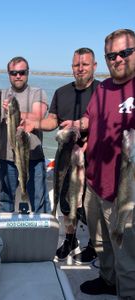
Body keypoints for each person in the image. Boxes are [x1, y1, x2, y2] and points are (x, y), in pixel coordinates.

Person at [61, 29, 135, 298]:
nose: (117, 59)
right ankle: (107, 280)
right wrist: (77, 124)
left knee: (127, 258)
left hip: (126, 194)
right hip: (94, 184)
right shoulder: (103, 88)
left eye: (125, 52)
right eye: (111, 55)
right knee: (101, 243)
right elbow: (91, 119)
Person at [24, 48, 98, 264]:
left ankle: (94, 244)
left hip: (94, 157)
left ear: (94, 66)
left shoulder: (102, 91)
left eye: (85, 64)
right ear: (72, 67)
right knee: (66, 203)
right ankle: (70, 238)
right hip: (65, 156)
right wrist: (35, 123)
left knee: (90, 204)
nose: (80, 68)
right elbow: (52, 121)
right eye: (76, 65)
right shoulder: (62, 92)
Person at [0, 56, 51, 213]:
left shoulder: (37, 93)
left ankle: (42, 236)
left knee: (39, 202)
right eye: (13, 72)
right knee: (5, 200)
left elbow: (38, 116)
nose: (18, 76)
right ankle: (5, 234)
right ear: (8, 74)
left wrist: (15, 111)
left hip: (32, 158)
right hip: (6, 159)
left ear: (28, 73)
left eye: (22, 72)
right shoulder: (0, 94)